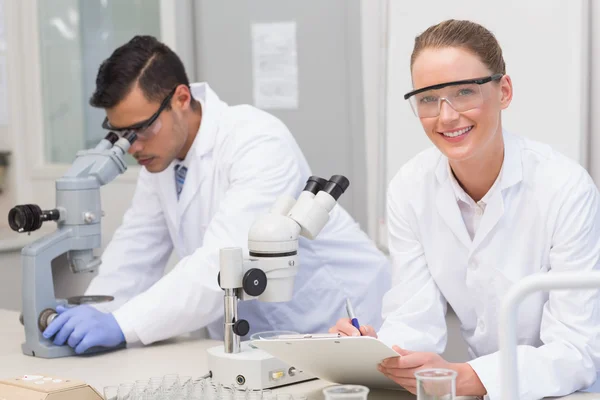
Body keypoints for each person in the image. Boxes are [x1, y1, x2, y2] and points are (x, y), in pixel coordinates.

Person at [42, 35, 390, 354]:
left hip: (334, 320)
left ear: (181, 98)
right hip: (253, 339)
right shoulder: (160, 158)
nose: (132, 146)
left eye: (141, 129)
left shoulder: (257, 140)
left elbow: (225, 265)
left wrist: (121, 324)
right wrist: (95, 311)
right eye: (120, 134)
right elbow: (136, 250)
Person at [330, 19, 600, 400]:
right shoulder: (410, 187)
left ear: (503, 91)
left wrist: (468, 377)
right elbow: (413, 319)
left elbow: (576, 351)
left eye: (463, 92)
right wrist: (379, 353)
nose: (446, 116)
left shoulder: (565, 188)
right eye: (427, 98)